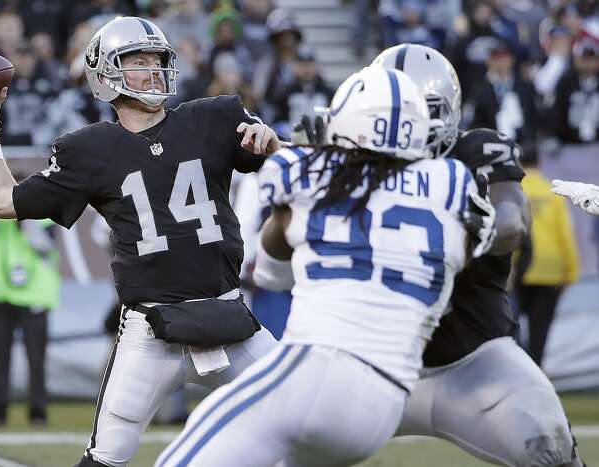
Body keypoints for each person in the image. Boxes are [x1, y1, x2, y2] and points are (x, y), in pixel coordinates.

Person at [0, 16, 281, 467]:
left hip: (229, 315)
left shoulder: (216, 116)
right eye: (137, 60)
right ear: (106, 74)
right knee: (105, 458)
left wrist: (272, 143)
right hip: (152, 331)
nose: (153, 69)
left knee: (314, 427)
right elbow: (1, 201)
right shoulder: (87, 149)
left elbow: (290, 154)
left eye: (158, 58)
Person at [155, 66, 488, 467]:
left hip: (319, 371)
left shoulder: (304, 170)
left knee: (191, 448)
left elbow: (270, 273)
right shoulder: (454, 182)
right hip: (387, 401)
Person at [372, 43, 586, 467]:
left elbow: (512, 220)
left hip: (478, 360)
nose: (407, 121)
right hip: (377, 363)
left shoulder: (477, 150)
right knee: (277, 438)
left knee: (551, 446)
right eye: (396, 108)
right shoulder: (351, 162)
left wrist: (473, 235)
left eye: (419, 109)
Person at [0, 205, 60, 427]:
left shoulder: (45, 217)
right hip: (1, 297)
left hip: (35, 299)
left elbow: (44, 246)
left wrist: (26, 215)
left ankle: (38, 411)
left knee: (36, 359)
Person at [517, 146, 580, 366]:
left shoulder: (515, 190)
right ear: (540, 164)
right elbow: (566, 234)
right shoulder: (552, 193)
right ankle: (536, 380)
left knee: (509, 332)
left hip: (516, 271)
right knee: (539, 335)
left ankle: (512, 379)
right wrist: (570, 274)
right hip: (550, 271)